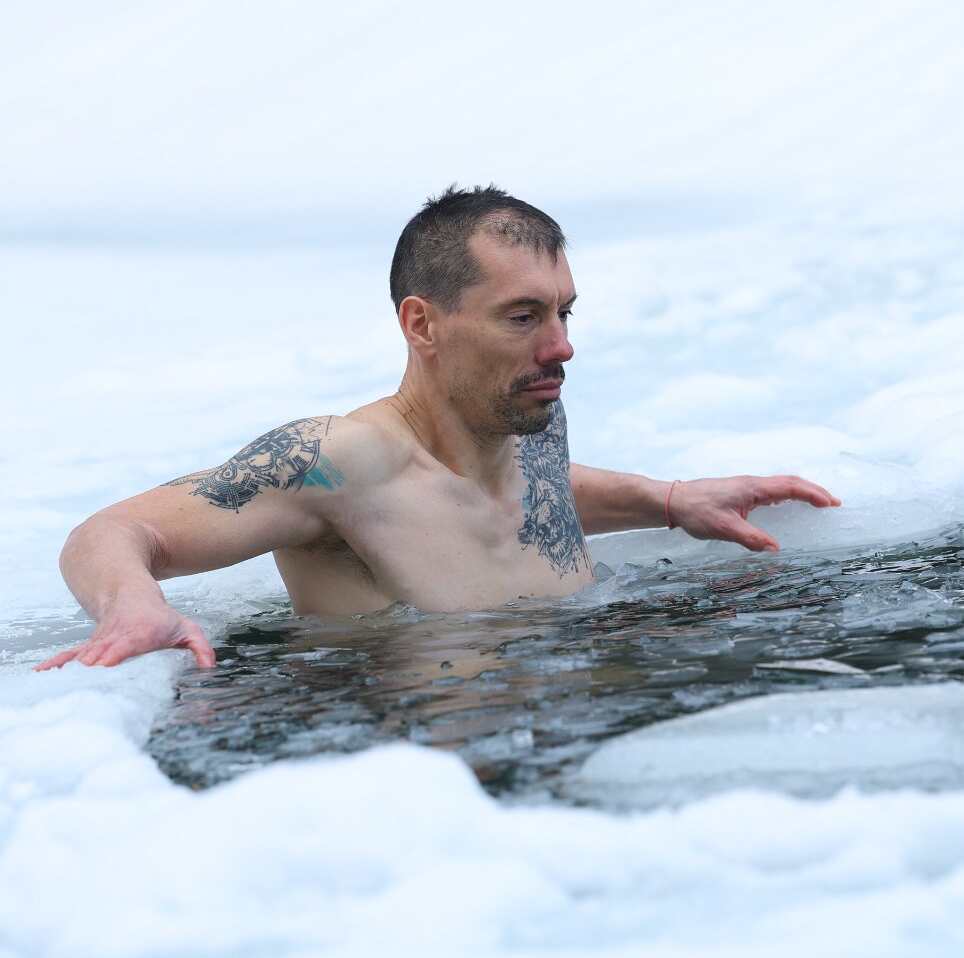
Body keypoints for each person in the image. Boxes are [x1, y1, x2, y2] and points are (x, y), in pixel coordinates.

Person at [35, 185, 839, 672]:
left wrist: (669, 500)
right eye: (522, 316)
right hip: (404, 788)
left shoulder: (528, 423)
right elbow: (111, 530)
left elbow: (507, 495)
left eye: (564, 312)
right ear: (422, 324)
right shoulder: (340, 463)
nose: (561, 345)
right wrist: (130, 603)